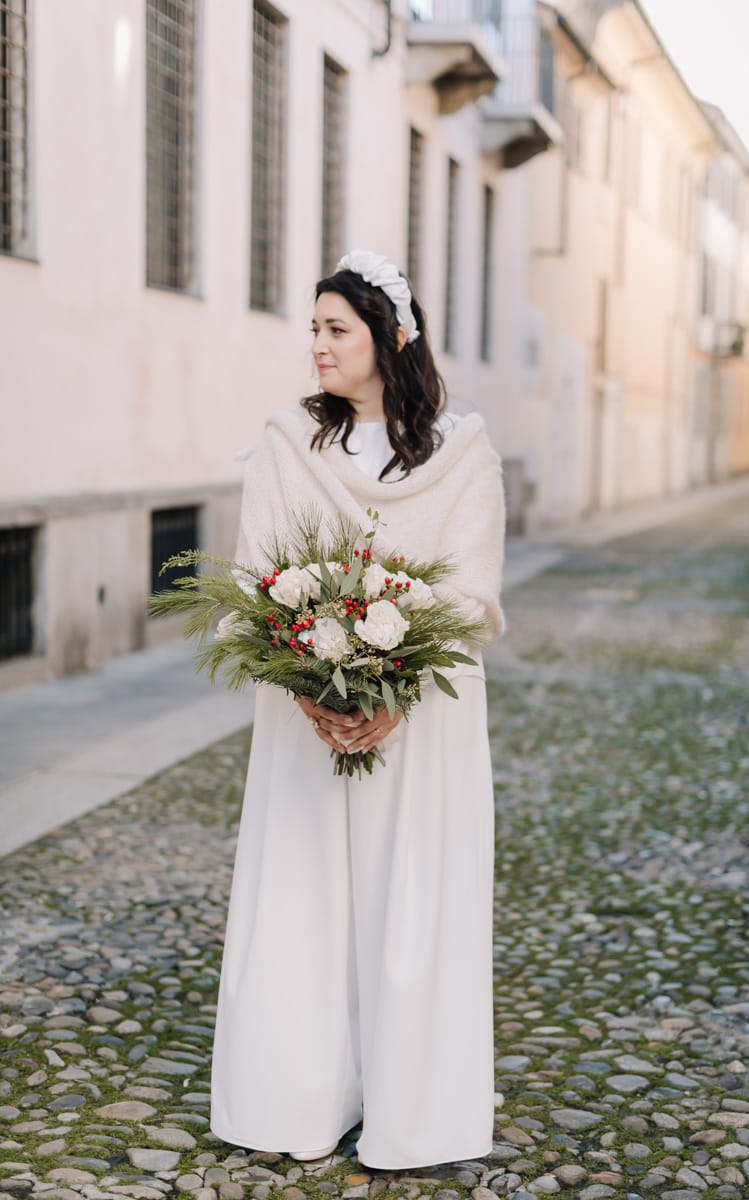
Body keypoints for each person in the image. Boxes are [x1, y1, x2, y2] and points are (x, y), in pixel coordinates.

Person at [209, 250, 506, 1170]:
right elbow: (253, 581)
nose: (318, 347)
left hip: (424, 721)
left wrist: (390, 695)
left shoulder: (462, 454)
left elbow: (468, 594)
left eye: (337, 329)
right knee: (304, 896)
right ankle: (296, 1100)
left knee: (410, 897)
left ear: (393, 338)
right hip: (304, 716)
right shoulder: (286, 443)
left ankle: (413, 1114)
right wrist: (316, 692)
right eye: (314, 328)